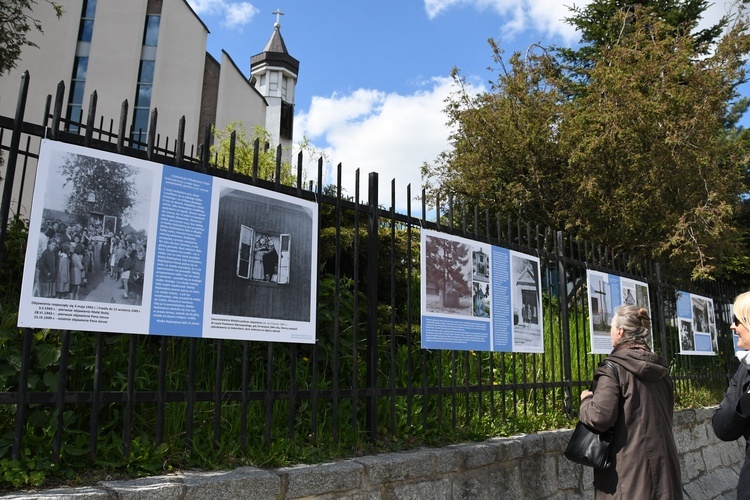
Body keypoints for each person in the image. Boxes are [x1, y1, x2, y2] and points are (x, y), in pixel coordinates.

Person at [578, 304, 682, 499]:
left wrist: (586, 400)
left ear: (620, 331)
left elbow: (600, 416)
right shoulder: (661, 371)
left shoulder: (613, 369)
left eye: (611, 328)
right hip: (665, 468)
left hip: (628, 474)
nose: (610, 333)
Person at [712, 291, 750, 499]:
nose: (732, 326)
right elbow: (721, 427)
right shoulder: (744, 370)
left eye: (737, 320)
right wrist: (746, 401)